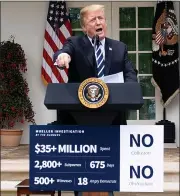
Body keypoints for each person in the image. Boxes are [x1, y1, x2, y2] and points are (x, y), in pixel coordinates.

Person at [54, 4, 138, 196]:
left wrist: (129, 91)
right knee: (81, 172)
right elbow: (62, 52)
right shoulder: (75, 44)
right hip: (79, 120)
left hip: (110, 120)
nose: (99, 22)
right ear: (84, 27)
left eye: (101, 18)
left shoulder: (119, 48)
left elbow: (130, 75)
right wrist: (63, 56)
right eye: (93, 19)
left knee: (106, 171)